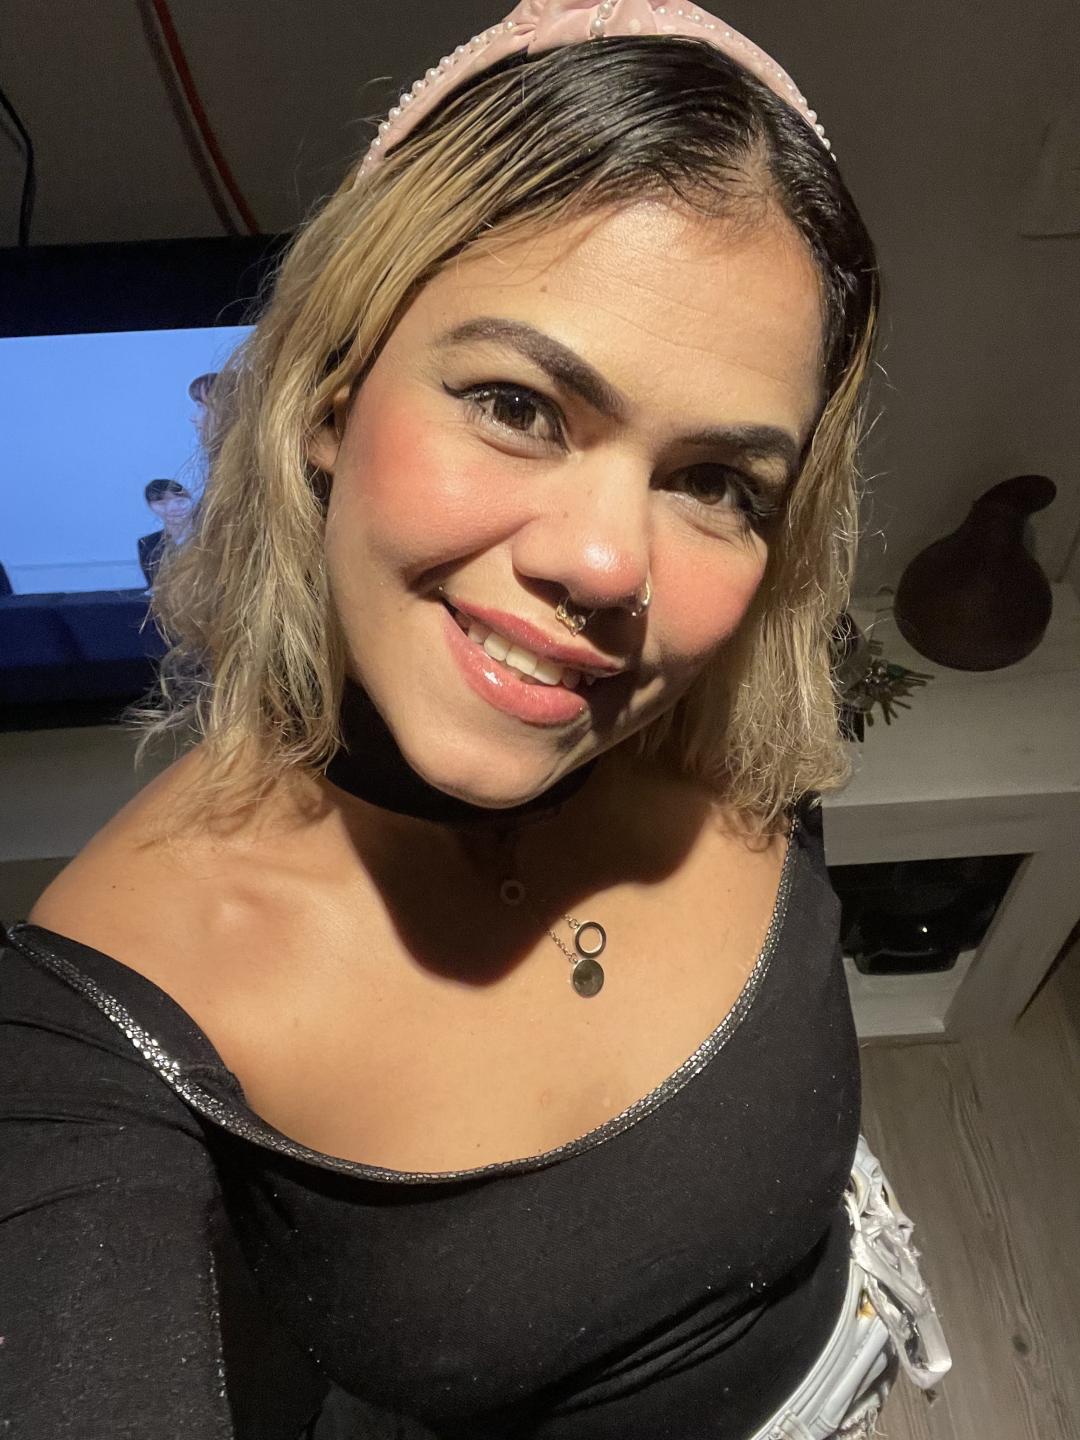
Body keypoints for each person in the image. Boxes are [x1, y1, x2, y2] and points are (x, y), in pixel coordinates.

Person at [0, 4, 950, 1437]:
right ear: (330, 401)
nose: (610, 565)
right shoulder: (91, 1033)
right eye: (518, 404)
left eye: (717, 483)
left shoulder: (725, 714)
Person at [137, 477, 194, 588]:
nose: (173, 508)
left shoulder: (209, 537)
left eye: (180, 501)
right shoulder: (148, 544)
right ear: (151, 507)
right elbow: (155, 585)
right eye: (162, 504)